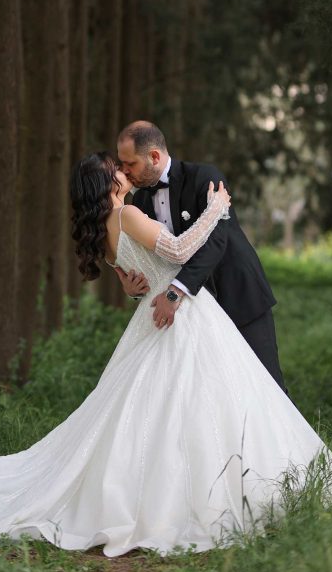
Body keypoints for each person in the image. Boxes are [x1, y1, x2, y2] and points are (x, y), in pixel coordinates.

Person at [0, 153, 332, 558]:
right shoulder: (130, 217)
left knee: (163, 411)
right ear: (110, 184)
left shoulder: (107, 230)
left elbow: (131, 285)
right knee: (195, 406)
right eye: (116, 170)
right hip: (182, 318)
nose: (125, 172)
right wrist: (216, 209)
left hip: (161, 315)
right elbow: (185, 250)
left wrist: (147, 281)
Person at [116, 120, 286, 390]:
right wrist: (135, 287)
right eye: (121, 165)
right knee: (219, 393)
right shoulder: (140, 202)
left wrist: (175, 292)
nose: (124, 171)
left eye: (130, 164)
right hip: (197, 316)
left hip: (239, 293)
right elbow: (155, 259)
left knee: (268, 386)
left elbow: (217, 241)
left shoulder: (205, 177)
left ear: (154, 156)